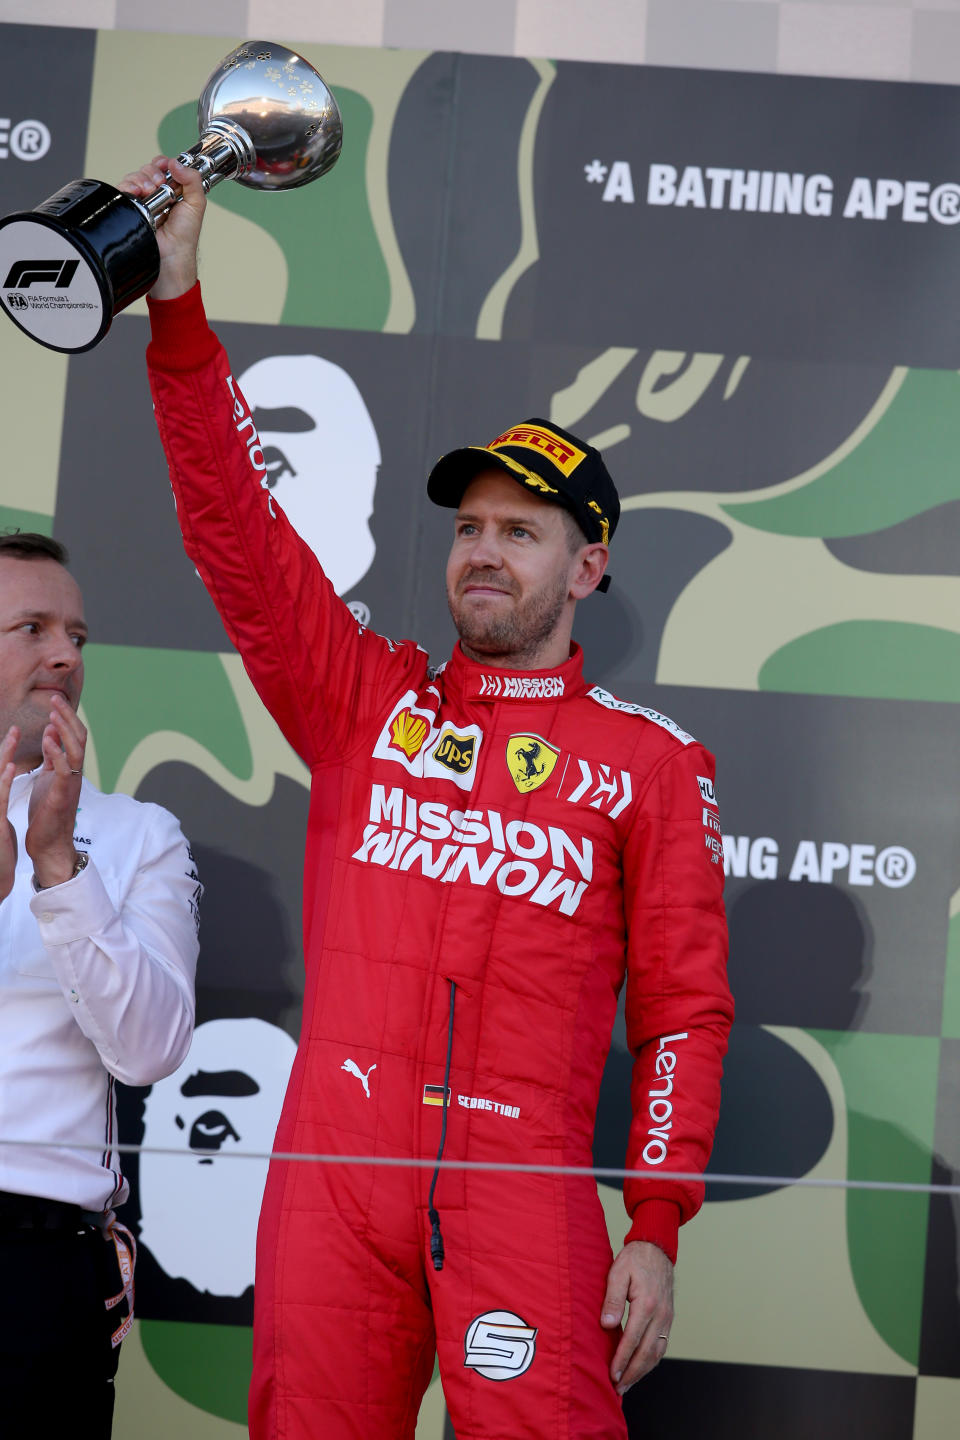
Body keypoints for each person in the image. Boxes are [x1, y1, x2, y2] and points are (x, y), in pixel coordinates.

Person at [123, 155, 733, 1440]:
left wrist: (659, 1223)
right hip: (335, 1180)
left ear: (590, 566)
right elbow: (234, 527)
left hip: (526, 1187)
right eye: (470, 527)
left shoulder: (651, 762)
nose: (484, 550)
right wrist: (177, 304)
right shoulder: (365, 703)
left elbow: (682, 1015)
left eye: (522, 530)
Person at [0, 532, 201, 1437]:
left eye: (77, 635)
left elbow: (151, 1050)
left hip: (38, 1266)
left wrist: (56, 869)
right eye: (33, 627)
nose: (66, 655)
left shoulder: (135, 833)